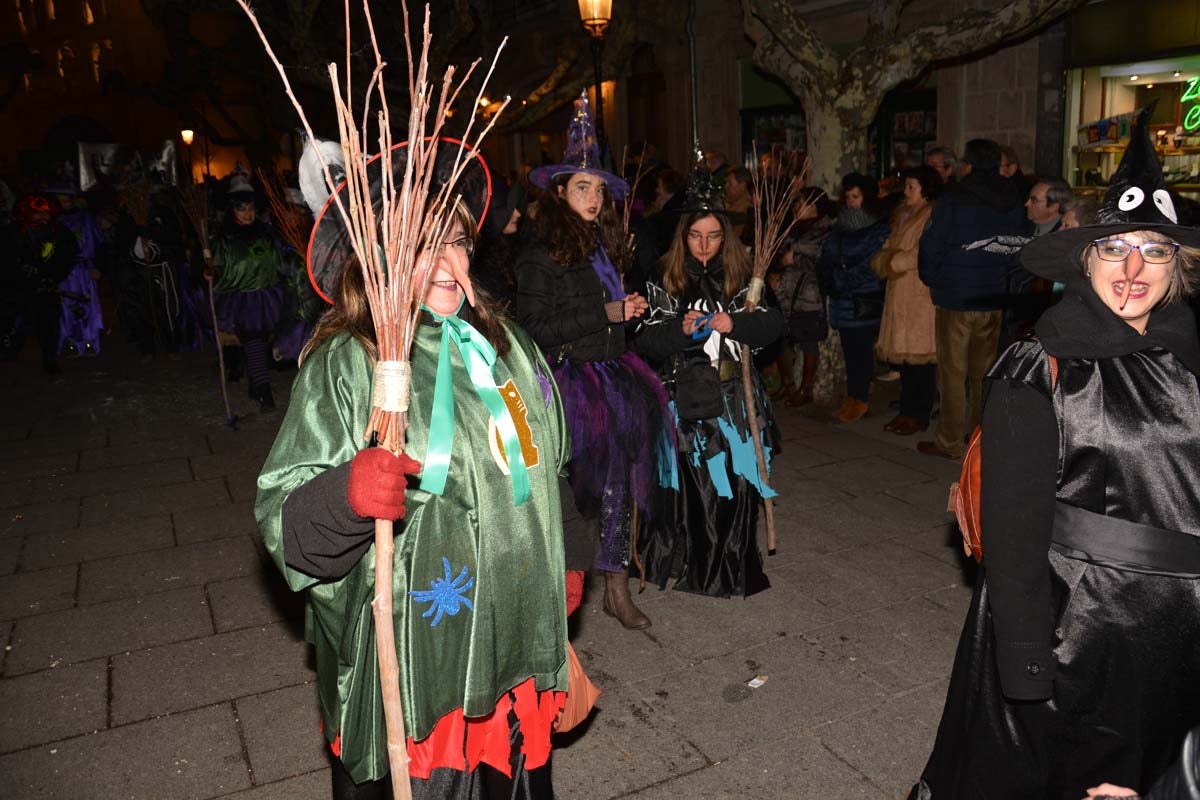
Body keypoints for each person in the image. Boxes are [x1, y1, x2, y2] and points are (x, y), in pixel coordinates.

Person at [258, 141, 579, 799]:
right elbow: (285, 520)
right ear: (374, 262)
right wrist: (344, 497)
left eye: (457, 240)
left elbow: (554, 461)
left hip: (515, 631)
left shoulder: (506, 343)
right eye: (419, 246)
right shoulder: (348, 365)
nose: (445, 262)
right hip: (417, 657)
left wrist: (569, 554)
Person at [913, 109, 1200, 799]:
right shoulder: (1040, 366)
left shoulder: (1192, 355)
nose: (1134, 267)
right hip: (1079, 636)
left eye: (1155, 250)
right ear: (1084, 259)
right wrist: (1025, 668)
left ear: (1177, 266)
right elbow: (1013, 535)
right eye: (1114, 248)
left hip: (1182, 640)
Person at [516, 91, 676, 630]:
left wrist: (626, 311)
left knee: (623, 485)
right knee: (577, 492)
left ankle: (616, 586)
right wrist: (606, 312)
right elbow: (535, 329)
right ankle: (560, 590)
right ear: (559, 192)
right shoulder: (541, 252)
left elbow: (603, 315)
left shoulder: (603, 247)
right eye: (582, 187)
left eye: (598, 190)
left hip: (616, 377)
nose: (592, 197)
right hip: (570, 384)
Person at [635, 203, 783, 598]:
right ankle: (690, 564)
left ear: (726, 237)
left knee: (734, 484)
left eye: (713, 236)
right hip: (682, 397)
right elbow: (645, 339)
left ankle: (730, 567)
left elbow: (774, 325)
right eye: (695, 236)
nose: (704, 245)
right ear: (683, 237)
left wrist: (738, 324)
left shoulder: (744, 278)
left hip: (734, 397)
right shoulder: (664, 277)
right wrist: (680, 332)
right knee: (691, 488)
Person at [916, 138, 1026, 459]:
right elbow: (1017, 245)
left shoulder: (955, 197)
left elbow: (932, 243)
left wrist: (934, 278)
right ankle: (980, 437)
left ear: (968, 164)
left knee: (952, 372)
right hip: (992, 294)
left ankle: (949, 440)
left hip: (957, 295)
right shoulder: (1012, 196)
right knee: (983, 371)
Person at [208, 171, 294, 411]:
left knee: (262, 341)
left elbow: (279, 262)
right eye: (242, 209)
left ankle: (255, 383)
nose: (248, 214)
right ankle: (264, 391)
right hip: (241, 299)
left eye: (251, 208)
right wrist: (209, 270)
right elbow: (218, 266)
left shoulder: (266, 234)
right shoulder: (225, 238)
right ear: (232, 211)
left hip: (267, 296)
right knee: (253, 340)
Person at [871, 166, 939, 435]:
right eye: (906, 186)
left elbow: (923, 252)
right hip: (899, 292)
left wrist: (893, 260)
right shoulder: (901, 214)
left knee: (920, 361)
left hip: (919, 296)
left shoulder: (932, 215)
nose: (907, 191)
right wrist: (886, 259)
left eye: (912, 186)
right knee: (906, 363)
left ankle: (918, 414)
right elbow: (889, 246)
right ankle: (906, 411)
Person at [818, 172, 889, 423]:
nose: (850, 201)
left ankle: (861, 399)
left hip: (863, 299)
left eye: (856, 196)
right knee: (850, 351)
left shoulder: (878, 227)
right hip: (841, 298)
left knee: (860, 352)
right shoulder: (840, 226)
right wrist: (831, 278)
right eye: (847, 196)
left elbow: (873, 263)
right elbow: (827, 254)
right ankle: (853, 397)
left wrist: (842, 277)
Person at [772, 187, 835, 407]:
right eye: (796, 203)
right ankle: (787, 383)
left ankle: (806, 388)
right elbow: (780, 255)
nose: (797, 207)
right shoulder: (793, 229)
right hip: (786, 291)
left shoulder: (825, 229)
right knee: (780, 337)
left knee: (808, 340)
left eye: (802, 203)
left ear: (815, 206)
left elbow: (820, 258)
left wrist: (795, 253)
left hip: (809, 293)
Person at [0, 194, 78, 372]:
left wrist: (52, 276)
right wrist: (20, 270)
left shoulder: (60, 233)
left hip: (45, 287)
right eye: (37, 213)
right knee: (13, 320)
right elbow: (5, 258)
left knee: (48, 323)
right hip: (17, 287)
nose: (42, 217)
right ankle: (9, 348)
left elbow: (66, 257)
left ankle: (50, 359)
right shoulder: (12, 233)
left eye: (46, 213)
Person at [53, 185, 105, 357]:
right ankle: (70, 342)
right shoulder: (55, 221)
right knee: (66, 306)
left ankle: (89, 341)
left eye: (67, 199)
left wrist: (98, 266)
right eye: (61, 200)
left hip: (85, 270)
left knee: (88, 305)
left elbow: (100, 244)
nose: (65, 203)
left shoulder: (87, 218)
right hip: (64, 271)